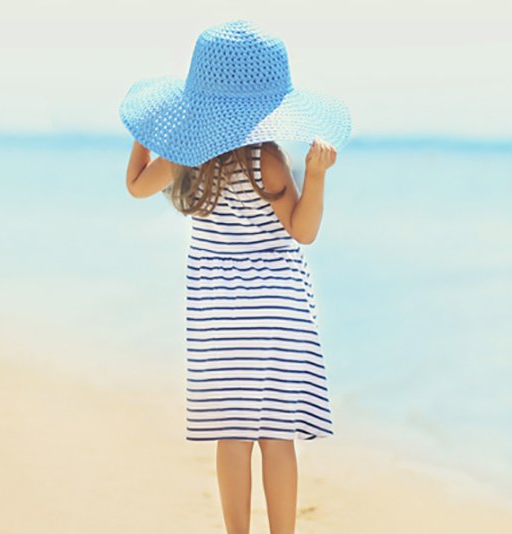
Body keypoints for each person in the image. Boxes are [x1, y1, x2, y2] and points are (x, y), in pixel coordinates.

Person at [118, 19, 351, 534]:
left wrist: (146, 134)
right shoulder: (266, 159)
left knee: (232, 435)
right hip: (276, 309)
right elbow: (302, 231)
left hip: (220, 314)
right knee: (276, 437)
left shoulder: (186, 158)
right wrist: (314, 177)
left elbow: (135, 185)